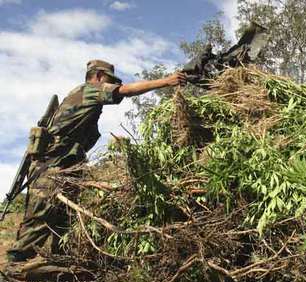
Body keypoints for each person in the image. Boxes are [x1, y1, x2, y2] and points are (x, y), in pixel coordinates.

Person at [6, 59, 187, 263]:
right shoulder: (88, 91)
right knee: (39, 223)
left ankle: (63, 279)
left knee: (64, 229)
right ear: (98, 77)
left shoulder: (88, 103)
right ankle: (10, 275)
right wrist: (166, 81)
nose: (111, 85)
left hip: (67, 171)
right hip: (51, 170)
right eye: (109, 80)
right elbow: (124, 91)